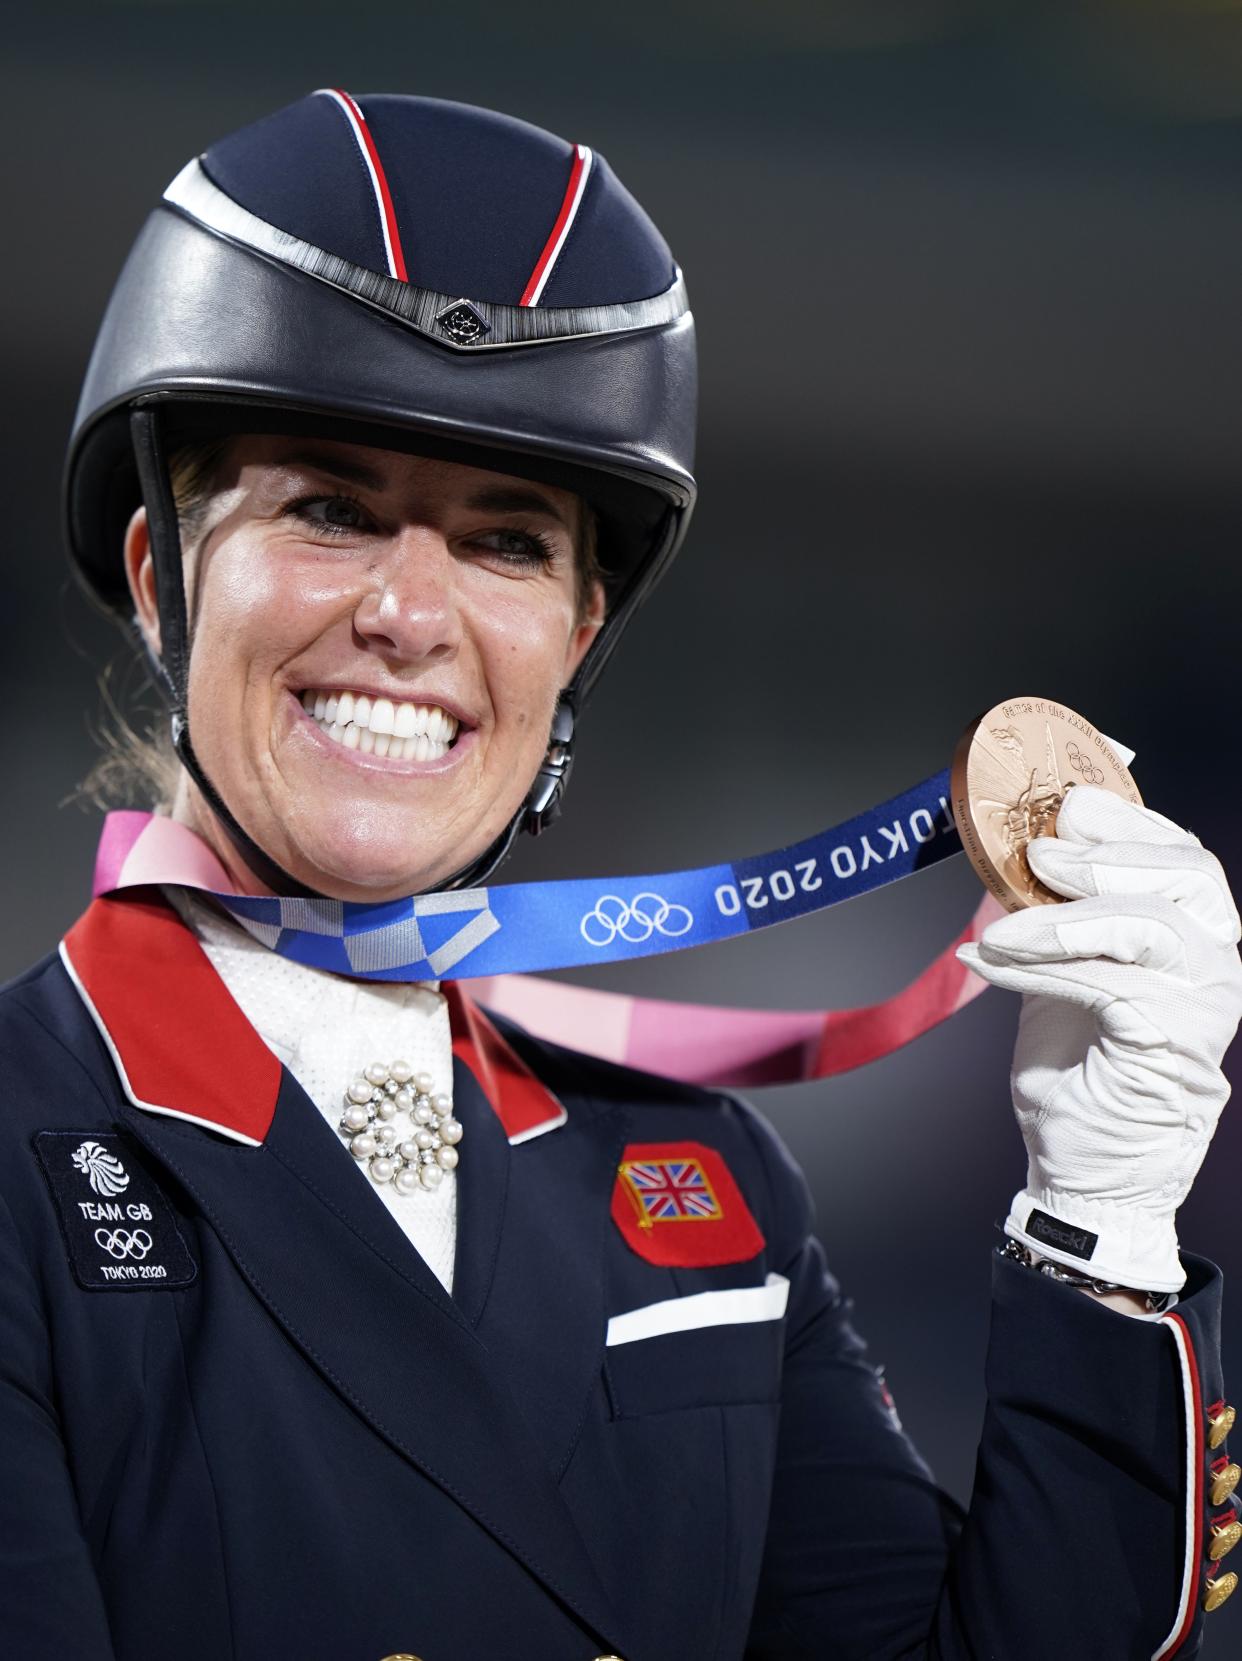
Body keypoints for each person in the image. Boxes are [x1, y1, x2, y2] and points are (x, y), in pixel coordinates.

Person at [1, 90, 1239, 1661]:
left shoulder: (705, 1184)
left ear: (574, 641)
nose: (409, 611)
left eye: (507, 541)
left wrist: (1100, 1221)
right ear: (160, 583)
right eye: (328, 509)